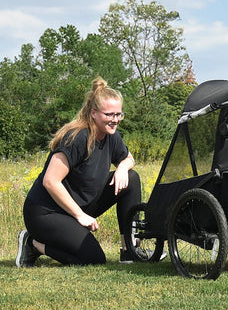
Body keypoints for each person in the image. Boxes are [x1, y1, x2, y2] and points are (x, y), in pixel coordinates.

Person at [16, 77, 142, 266]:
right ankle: (33, 244)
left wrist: (123, 167)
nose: (115, 120)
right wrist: (79, 215)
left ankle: (129, 250)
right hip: (46, 213)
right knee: (94, 259)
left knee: (131, 178)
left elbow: (129, 158)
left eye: (119, 114)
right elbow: (50, 181)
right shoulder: (77, 138)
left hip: (79, 205)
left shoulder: (111, 136)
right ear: (93, 113)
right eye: (109, 115)